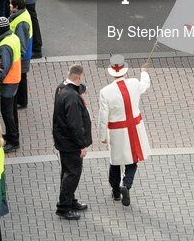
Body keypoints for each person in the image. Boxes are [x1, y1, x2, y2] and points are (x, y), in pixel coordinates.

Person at [98, 55, 150, 207]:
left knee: (115, 160)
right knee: (132, 159)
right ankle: (126, 185)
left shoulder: (105, 92)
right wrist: (144, 71)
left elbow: (103, 116)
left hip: (117, 131)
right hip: (134, 128)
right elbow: (145, 85)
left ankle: (115, 191)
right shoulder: (134, 83)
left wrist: (102, 135)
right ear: (125, 71)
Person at [52, 64, 92, 220]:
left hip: (62, 139)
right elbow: (75, 124)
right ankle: (63, 207)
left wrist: (81, 88)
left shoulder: (61, 88)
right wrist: (82, 145)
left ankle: (70, 200)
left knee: (67, 171)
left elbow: (74, 87)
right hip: (71, 143)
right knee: (72, 174)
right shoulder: (73, 98)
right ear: (79, 76)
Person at [0, 16, 22, 152]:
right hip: (15, 78)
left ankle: (13, 140)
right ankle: (13, 135)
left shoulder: (5, 45)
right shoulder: (13, 37)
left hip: (8, 82)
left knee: (7, 112)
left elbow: (4, 67)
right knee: (12, 111)